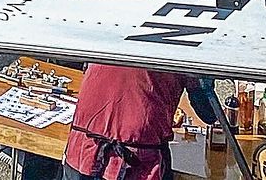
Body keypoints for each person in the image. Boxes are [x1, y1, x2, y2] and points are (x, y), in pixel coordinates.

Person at [61, 65, 191, 180]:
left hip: (85, 148)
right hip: (132, 158)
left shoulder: (106, 38)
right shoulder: (189, 48)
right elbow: (208, 112)